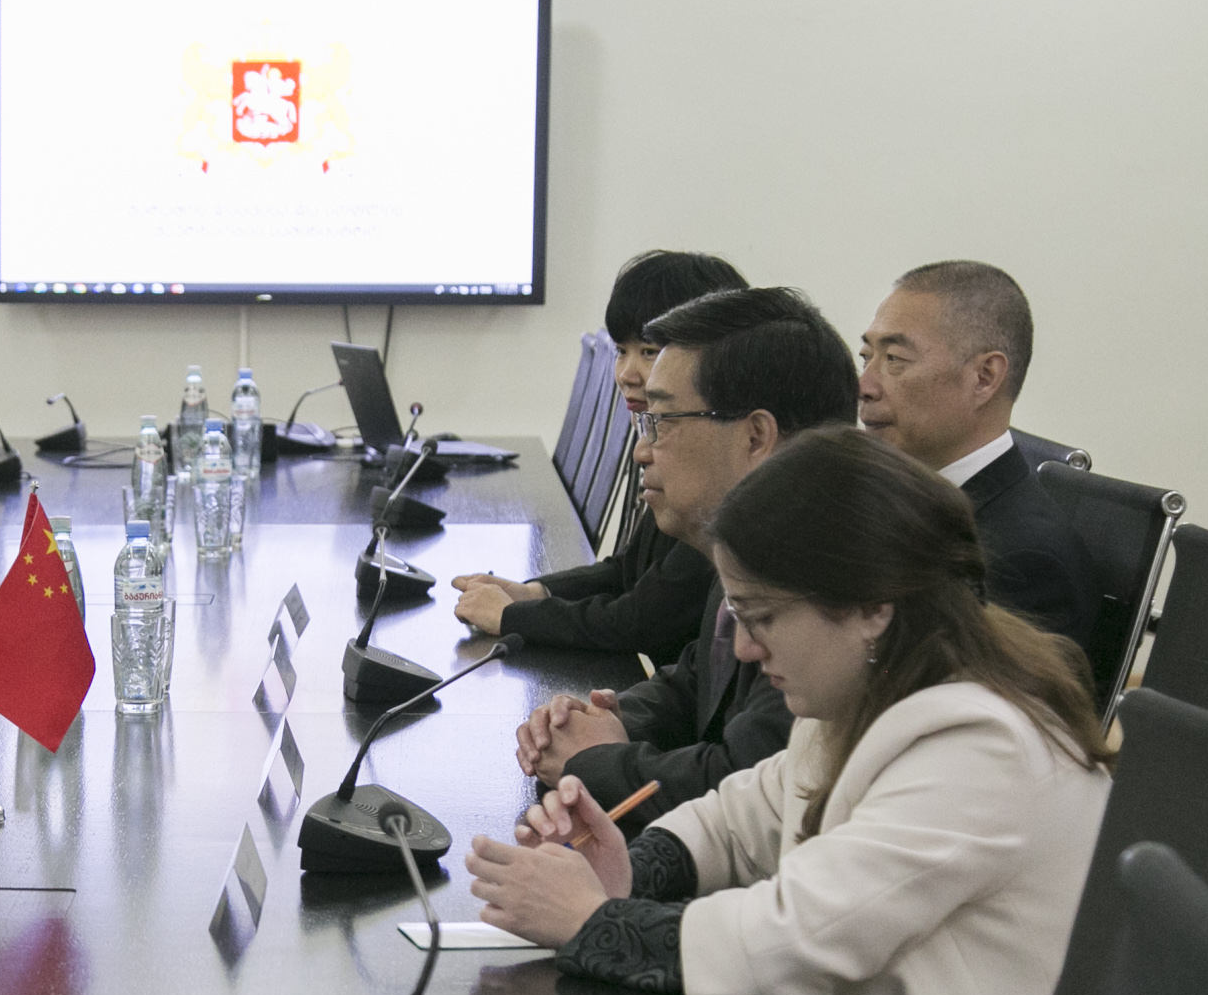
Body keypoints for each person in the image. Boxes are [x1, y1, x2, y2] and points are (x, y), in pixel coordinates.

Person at [463, 426, 1112, 995]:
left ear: (874, 605)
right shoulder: (872, 694)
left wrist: (593, 919)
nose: (742, 647)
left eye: (762, 617)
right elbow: (741, 816)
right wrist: (628, 865)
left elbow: (791, 940)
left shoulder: (982, 747)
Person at [515, 286, 859, 826]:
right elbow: (699, 678)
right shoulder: (753, 539)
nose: (641, 450)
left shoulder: (836, 580)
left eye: (661, 422)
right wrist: (608, 719)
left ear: (756, 437)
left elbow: (740, 784)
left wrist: (591, 761)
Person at [453, 250, 743, 662]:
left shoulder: (717, 469)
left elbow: (642, 620)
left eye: (648, 351)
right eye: (621, 350)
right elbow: (626, 571)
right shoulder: (668, 443)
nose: (626, 373)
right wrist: (533, 593)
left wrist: (513, 617)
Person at [856, 261, 1099, 653]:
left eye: (894, 359)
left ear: (984, 377)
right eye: (866, 356)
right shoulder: (887, 499)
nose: (865, 386)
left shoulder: (1024, 562)